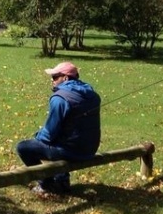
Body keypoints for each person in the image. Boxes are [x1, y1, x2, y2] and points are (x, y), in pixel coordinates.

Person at [16, 61, 101, 197]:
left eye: (55, 77)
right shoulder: (93, 95)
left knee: (23, 147)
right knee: (57, 143)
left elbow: (49, 134)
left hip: (71, 151)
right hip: (90, 149)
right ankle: (62, 181)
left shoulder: (60, 98)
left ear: (66, 78)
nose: (52, 80)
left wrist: (38, 135)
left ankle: (47, 184)